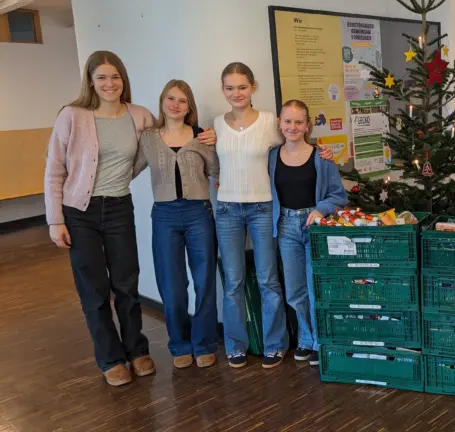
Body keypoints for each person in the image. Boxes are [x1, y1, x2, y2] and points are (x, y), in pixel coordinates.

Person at [44, 50, 216, 387]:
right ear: (91, 81)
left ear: (124, 80)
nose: (109, 84)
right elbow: (54, 169)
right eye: (101, 77)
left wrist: (206, 136)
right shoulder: (72, 115)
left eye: (115, 77)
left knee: (126, 284)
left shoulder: (140, 117)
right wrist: (55, 219)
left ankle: (137, 350)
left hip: (120, 207)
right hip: (79, 211)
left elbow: (168, 140)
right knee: (94, 290)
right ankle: (111, 359)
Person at [213, 62, 334, 369]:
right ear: (223, 90)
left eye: (243, 86)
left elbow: (297, 150)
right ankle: (235, 346)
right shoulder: (216, 125)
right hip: (229, 210)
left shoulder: (268, 121)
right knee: (234, 282)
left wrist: (325, 152)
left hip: (264, 210)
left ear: (253, 87)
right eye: (230, 87)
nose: (237, 93)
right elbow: (217, 162)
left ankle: (278, 344)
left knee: (270, 280)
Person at [133, 80, 219, 370]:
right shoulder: (149, 138)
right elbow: (128, 169)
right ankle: (180, 344)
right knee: (172, 284)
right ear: (162, 101)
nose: (175, 105)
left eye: (182, 100)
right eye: (171, 98)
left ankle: (204, 344)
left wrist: (214, 143)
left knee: (204, 281)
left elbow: (216, 170)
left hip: (199, 213)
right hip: (165, 216)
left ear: (189, 107)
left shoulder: (201, 136)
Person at [268, 100, 348, 366]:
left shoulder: (321, 158)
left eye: (298, 122)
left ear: (307, 125)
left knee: (316, 287)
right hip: (285, 227)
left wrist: (321, 210)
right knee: (294, 289)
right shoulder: (271, 157)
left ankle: (319, 343)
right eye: (287, 121)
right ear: (279, 123)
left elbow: (338, 196)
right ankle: (305, 337)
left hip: (314, 227)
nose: (292, 127)